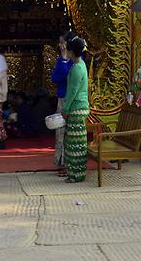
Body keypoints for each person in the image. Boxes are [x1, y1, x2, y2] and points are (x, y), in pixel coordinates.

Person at [62, 36, 90, 183]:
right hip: (79, 107)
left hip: (77, 108)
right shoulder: (80, 65)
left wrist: (65, 109)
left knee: (75, 144)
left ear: (72, 51)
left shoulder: (78, 68)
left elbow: (72, 91)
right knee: (74, 142)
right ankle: (74, 173)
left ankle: (77, 174)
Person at [50, 31, 76, 173]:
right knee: (60, 131)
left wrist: (65, 60)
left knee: (68, 132)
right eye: (60, 43)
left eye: (63, 43)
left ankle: (68, 163)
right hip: (61, 97)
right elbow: (54, 78)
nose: (60, 46)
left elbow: (67, 76)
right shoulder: (61, 59)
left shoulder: (75, 60)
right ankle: (61, 161)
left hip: (69, 100)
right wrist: (63, 60)